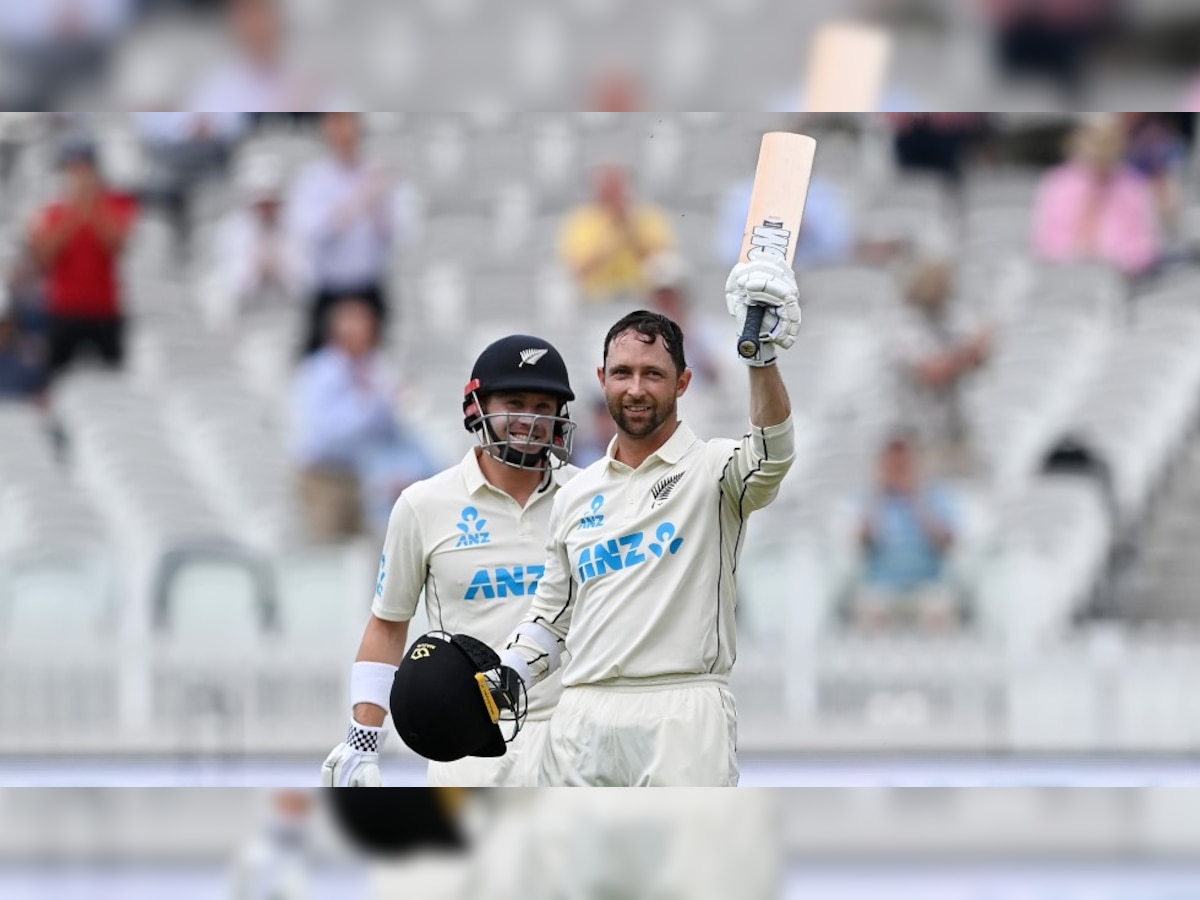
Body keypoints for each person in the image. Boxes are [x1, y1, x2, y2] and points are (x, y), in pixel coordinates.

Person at [491, 254, 800, 786]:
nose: (635, 388)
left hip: (681, 712)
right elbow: (550, 619)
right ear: (601, 379)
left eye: (652, 374)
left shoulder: (714, 469)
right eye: (623, 373)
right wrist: (504, 677)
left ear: (682, 382)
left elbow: (773, 455)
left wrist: (761, 359)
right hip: (582, 715)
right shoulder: (576, 492)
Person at [320, 335, 581, 788]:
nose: (531, 419)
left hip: (578, 737)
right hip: (471, 745)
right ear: (478, 407)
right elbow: (387, 625)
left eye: (544, 404)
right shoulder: (424, 505)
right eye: (514, 401)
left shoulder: (590, 496)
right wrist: (362, 740)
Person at [290, 298, 434, 544]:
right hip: (325, 475)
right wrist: (375, 404)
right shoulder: (320, 372)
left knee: (363, 552)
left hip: (364, 474)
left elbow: (392, 427)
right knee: (330, 548)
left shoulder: (376, 367)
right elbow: (328, 433)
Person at [287, 111, 398, 355]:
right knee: (318, 363)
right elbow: (310, 230)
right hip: (330, 289)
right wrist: (358, 202)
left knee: (375, 363)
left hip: (369, 285)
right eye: (336, 123)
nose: (344, 132)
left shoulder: (377, 172)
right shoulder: (312, 179)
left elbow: (396, 231)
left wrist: (379, 203)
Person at [28, 136, 137, 378]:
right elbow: (45, 255)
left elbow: (117, 245)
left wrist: (92, 206)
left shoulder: (115, 205)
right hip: (64, 310)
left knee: (113, 379)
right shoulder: (54, 211)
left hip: (105, 309)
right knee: (56, 375)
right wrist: (74, 211)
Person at [1032, 114, 1162, 278]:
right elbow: (1043, 243)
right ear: (1077, 141)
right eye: (1094, 140)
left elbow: (1147, 248)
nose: (1101, 148)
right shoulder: (1057, 183)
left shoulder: (1134, 186)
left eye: (1108, 141)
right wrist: (1076, 261)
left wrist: (1113, 262)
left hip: (1122, 280)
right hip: (1063, 277)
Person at [853, 432, 959, 631]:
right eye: (893, 464)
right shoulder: (869, 497)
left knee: (938, 611)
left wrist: (917, 499)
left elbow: (947, 542)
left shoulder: (936, 496)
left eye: (904, 464)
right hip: (881, 585)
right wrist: (879, 497)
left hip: (928, 583)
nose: (898, 469)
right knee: (871, 611)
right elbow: (862, 543)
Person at [203, 154, 310, 331]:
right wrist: (257, 267)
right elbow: (231, 284)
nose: (267, 209)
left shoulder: (297, 226)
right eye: (261, 203)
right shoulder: (231, 230)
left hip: (290, 315)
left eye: (271, 202)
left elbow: (307, 284)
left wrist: (280, 265)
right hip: (245, 318)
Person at [558, 164, 676, 304]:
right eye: (609, 191)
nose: (615, 196)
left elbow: (665, 266)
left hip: (642, 299)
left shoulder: (649, 217)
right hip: (595, 301)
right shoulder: (580, 221)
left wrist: (630, 231)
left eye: (618, 190)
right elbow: (576, 271)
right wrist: (610, 241)